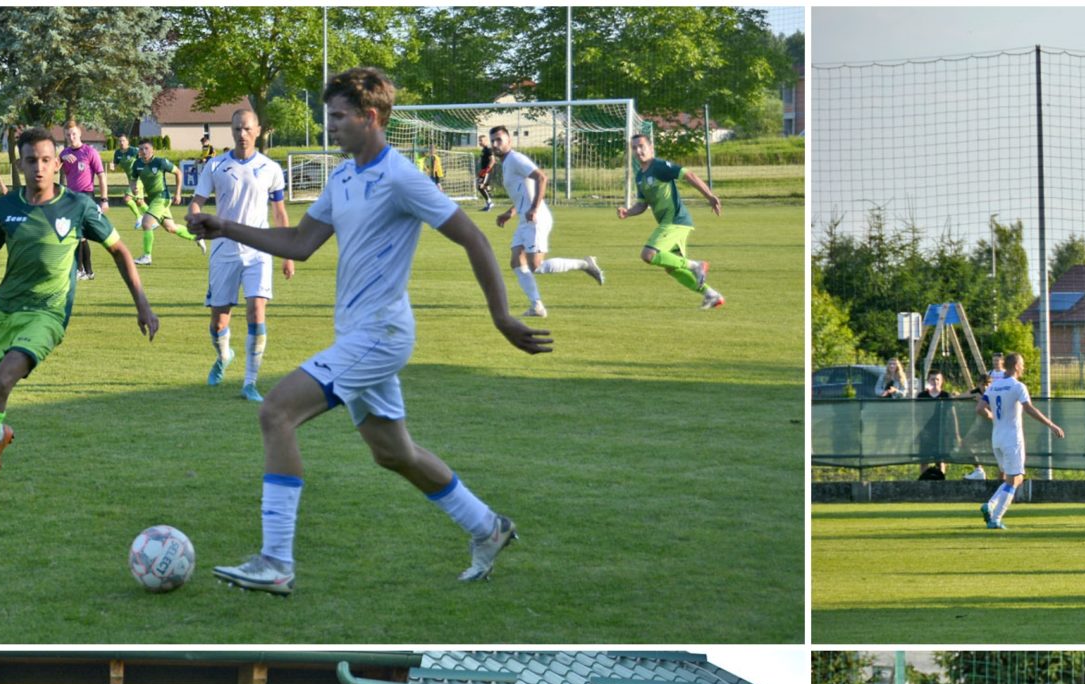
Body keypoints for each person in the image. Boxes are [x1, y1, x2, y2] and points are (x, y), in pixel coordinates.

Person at [194, 69, 548, 596]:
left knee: (276, 412)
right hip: (357, 336)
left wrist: (501, 315)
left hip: (381, 335)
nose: (330, 127)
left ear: (371, 117)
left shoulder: (401, 177)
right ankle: (488, 527)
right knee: (393, 453)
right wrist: (226, 225)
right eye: (329, 116)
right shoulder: (342, 177)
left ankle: (275, 561)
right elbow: (299, 241)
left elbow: (473, 237)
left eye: (338, 117)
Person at [0, 126, 159, 510]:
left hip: (46, 315)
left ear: (57, 163)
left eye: (47, 160)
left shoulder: (78, 206)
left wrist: (142, 303)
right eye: (32, 161)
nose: (40, 168)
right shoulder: (5, 207)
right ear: (21, 164)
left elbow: (120, 252)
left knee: (0, 383)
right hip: (2, 313)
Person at [188, 108, 294, 402]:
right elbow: (196, 202)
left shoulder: (271, 168)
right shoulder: (216, 166)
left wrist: (286, 253)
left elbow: (279, 212)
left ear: (258, 130)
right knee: (219, 322)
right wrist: (193, 217)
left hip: (260, 249)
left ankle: (250, 383)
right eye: (237, 129)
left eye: (247, 129)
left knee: (256, 311)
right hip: (223, 249)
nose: (242, 134)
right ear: (231, 131)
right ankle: (224, 356)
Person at [488, 124, 603, 319]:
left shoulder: (516, 159)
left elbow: (542, 177)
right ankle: (537, 307)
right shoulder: (507, 162)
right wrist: (511, 212)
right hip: (525, 219)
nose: (495, 144)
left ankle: (585, 264)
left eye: (499, 140)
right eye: (493, 141)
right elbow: (524, 192)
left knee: (536, 266)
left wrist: (533, 208)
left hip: (536, 218)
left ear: (509, 141)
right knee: (517, 261)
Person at [617, 131, 726, 308]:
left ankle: (696, 265)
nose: (638, 150)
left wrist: (709, 195)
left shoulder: (659, 166)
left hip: (676, 221)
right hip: (672, 224)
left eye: (641, 146)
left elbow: (689, 175)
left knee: (648, 254)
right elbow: (642, 204)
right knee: (672, 268)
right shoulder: (640, 176)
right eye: (634, 148)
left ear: (651, 148)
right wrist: (628, 212)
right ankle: (711, 294)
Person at [975, 353, 1066, 530]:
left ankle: (991, 506)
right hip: (1012, 439)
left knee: (1013, 479)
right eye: (1022, 364)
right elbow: (1029, 408)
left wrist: (993, 417)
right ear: (1016, 366)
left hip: (997, 438)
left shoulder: (993, 387)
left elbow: (979, 408)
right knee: (1015, 480)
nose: (1023, 367)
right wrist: (1051, 425)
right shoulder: (1018, 386)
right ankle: (995, 516)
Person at [56, 122, 108, 283]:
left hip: (86, 196)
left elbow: (101, 175)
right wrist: (61, 158)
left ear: (79, 134)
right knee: (80, 236)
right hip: (71, 197)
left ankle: (80, 270)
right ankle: (88, 271)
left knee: (77, 234)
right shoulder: (64, 153)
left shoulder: (90, 152)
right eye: (68, 135)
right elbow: (52, 169)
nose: (71, 137)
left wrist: (104, 199)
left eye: (74, 134)